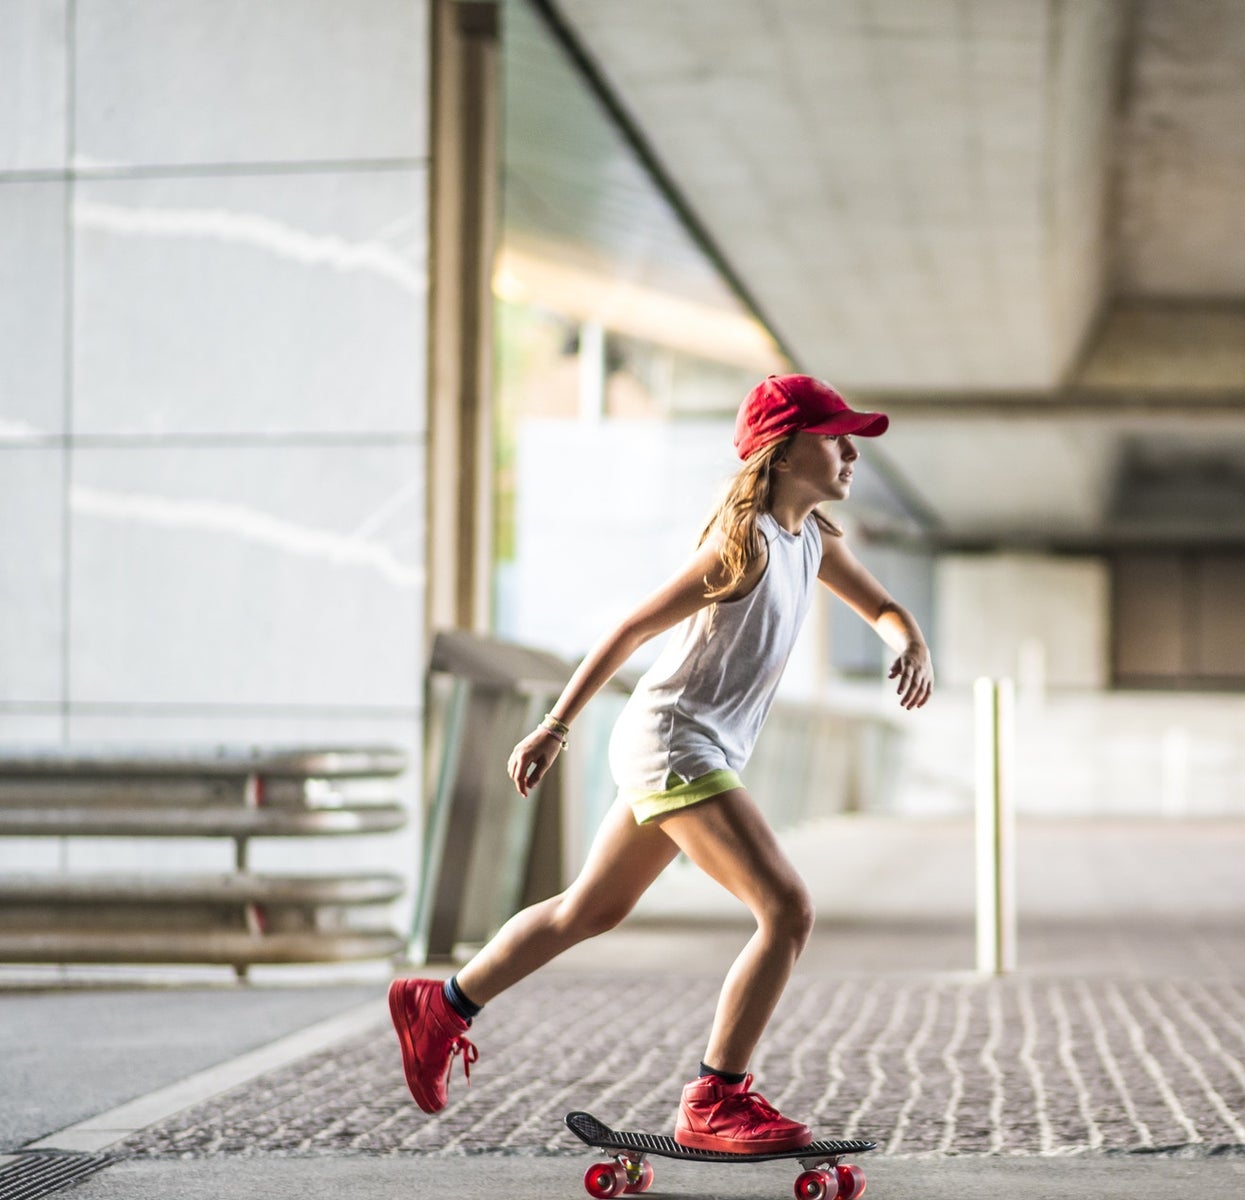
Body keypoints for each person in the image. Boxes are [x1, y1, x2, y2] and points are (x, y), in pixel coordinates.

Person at [388, 374, 933, 1153]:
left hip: (683, 746)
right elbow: (632, 629)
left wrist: (909, 642)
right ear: (781, 455)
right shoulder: (737, 548)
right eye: (834, 437)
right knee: (787, 911)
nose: (850, 451)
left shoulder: (808, 539)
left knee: (589, 910)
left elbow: (883, 609)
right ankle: (717, 1098)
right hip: (676, 742)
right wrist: (553, 726)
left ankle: (442, 1004)